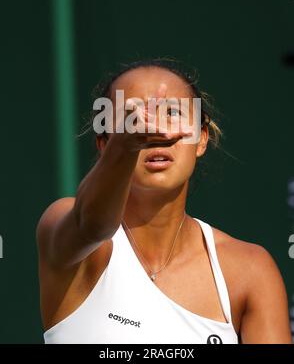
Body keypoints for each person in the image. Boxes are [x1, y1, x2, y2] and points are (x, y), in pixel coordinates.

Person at [36, 58, 292, 344]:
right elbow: (93, 225)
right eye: (132, 117)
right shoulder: (65, 223)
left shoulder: (250, 270)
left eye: (172, 112)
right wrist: (126, 144)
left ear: (202, 138)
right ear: (105, 144)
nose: (154, 130)